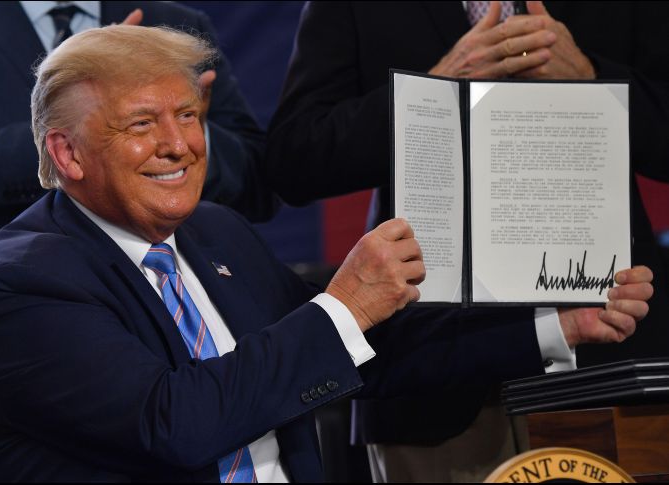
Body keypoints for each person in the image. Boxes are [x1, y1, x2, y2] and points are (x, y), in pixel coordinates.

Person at [0, 24, 653, 481]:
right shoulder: (22, 281)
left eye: (190, 117)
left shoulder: (217, 234)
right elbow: (175, 424)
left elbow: (361, 357)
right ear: (66, 152)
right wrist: (343, 304)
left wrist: (556, 325)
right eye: (143, 124)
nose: (181, 145)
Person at [265, 1, 669, 481]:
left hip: (610, 344)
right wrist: (431, 88)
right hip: (432, 369)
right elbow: (294, 160)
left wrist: (592, 76)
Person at [0, 1, 276, 340]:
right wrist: (80, 122)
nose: (174, 141)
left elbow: (260, 183)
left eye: (185, 114)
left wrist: (174, 122)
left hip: (179, 317)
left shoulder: (173, 23)